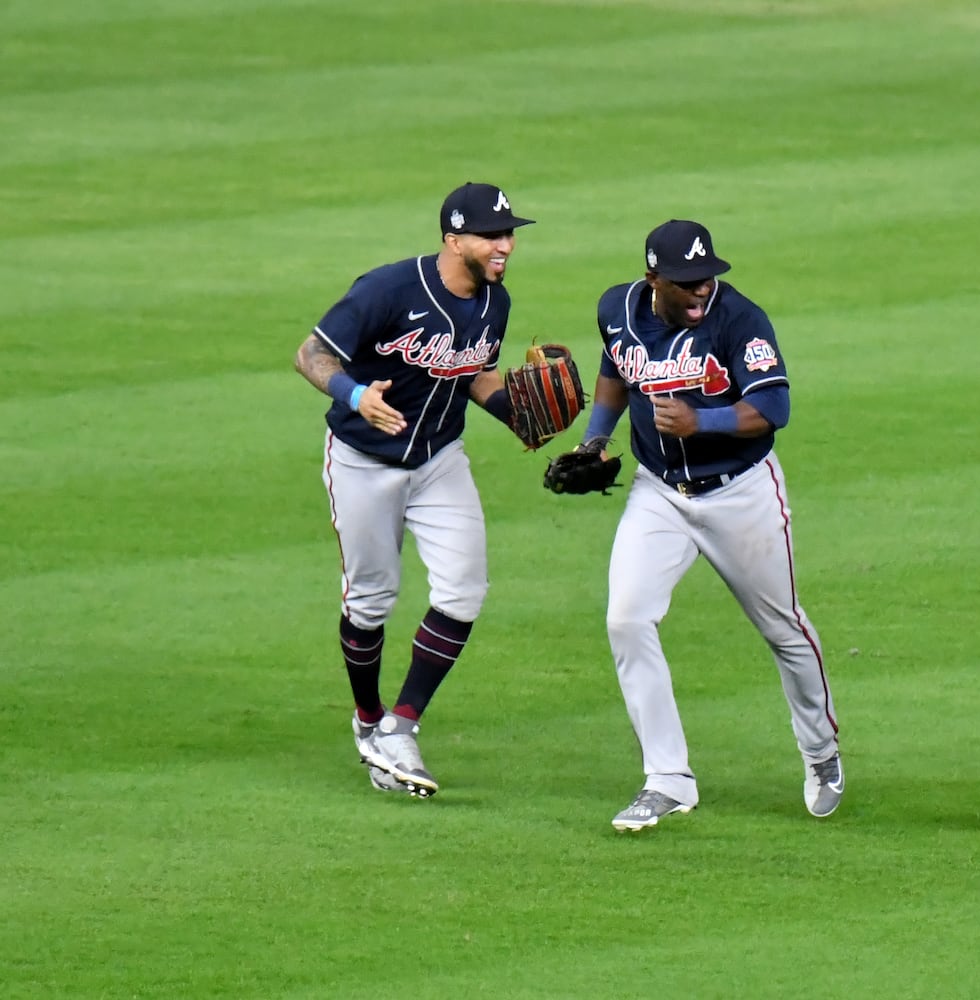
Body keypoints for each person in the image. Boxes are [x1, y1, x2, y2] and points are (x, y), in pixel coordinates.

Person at [565, 219, 841, 831]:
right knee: (626, 619)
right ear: (653, 279)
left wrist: (702, 423)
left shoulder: (740, 320)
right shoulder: (618, 308)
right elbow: (615, 368)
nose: (699, 292)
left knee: (784, 629)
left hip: (740, 491)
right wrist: (594, 439)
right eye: (686, 283)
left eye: (706, 279)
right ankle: (667, 779)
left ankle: (821, 753)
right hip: (658, 492)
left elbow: (775, 408)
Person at [293, 181, 537, 797]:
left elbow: (473, 372)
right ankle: (368, 721)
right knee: (371, 600)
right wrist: (354, 395)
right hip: (363, 461)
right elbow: (311, 354)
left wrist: (518, 413)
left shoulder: (495, 301)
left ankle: (402, 725)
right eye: (491, 235)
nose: (504, 245)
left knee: (463, 591)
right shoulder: (387, 289)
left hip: (439, 460)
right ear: (454, 239)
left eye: (508, 233)